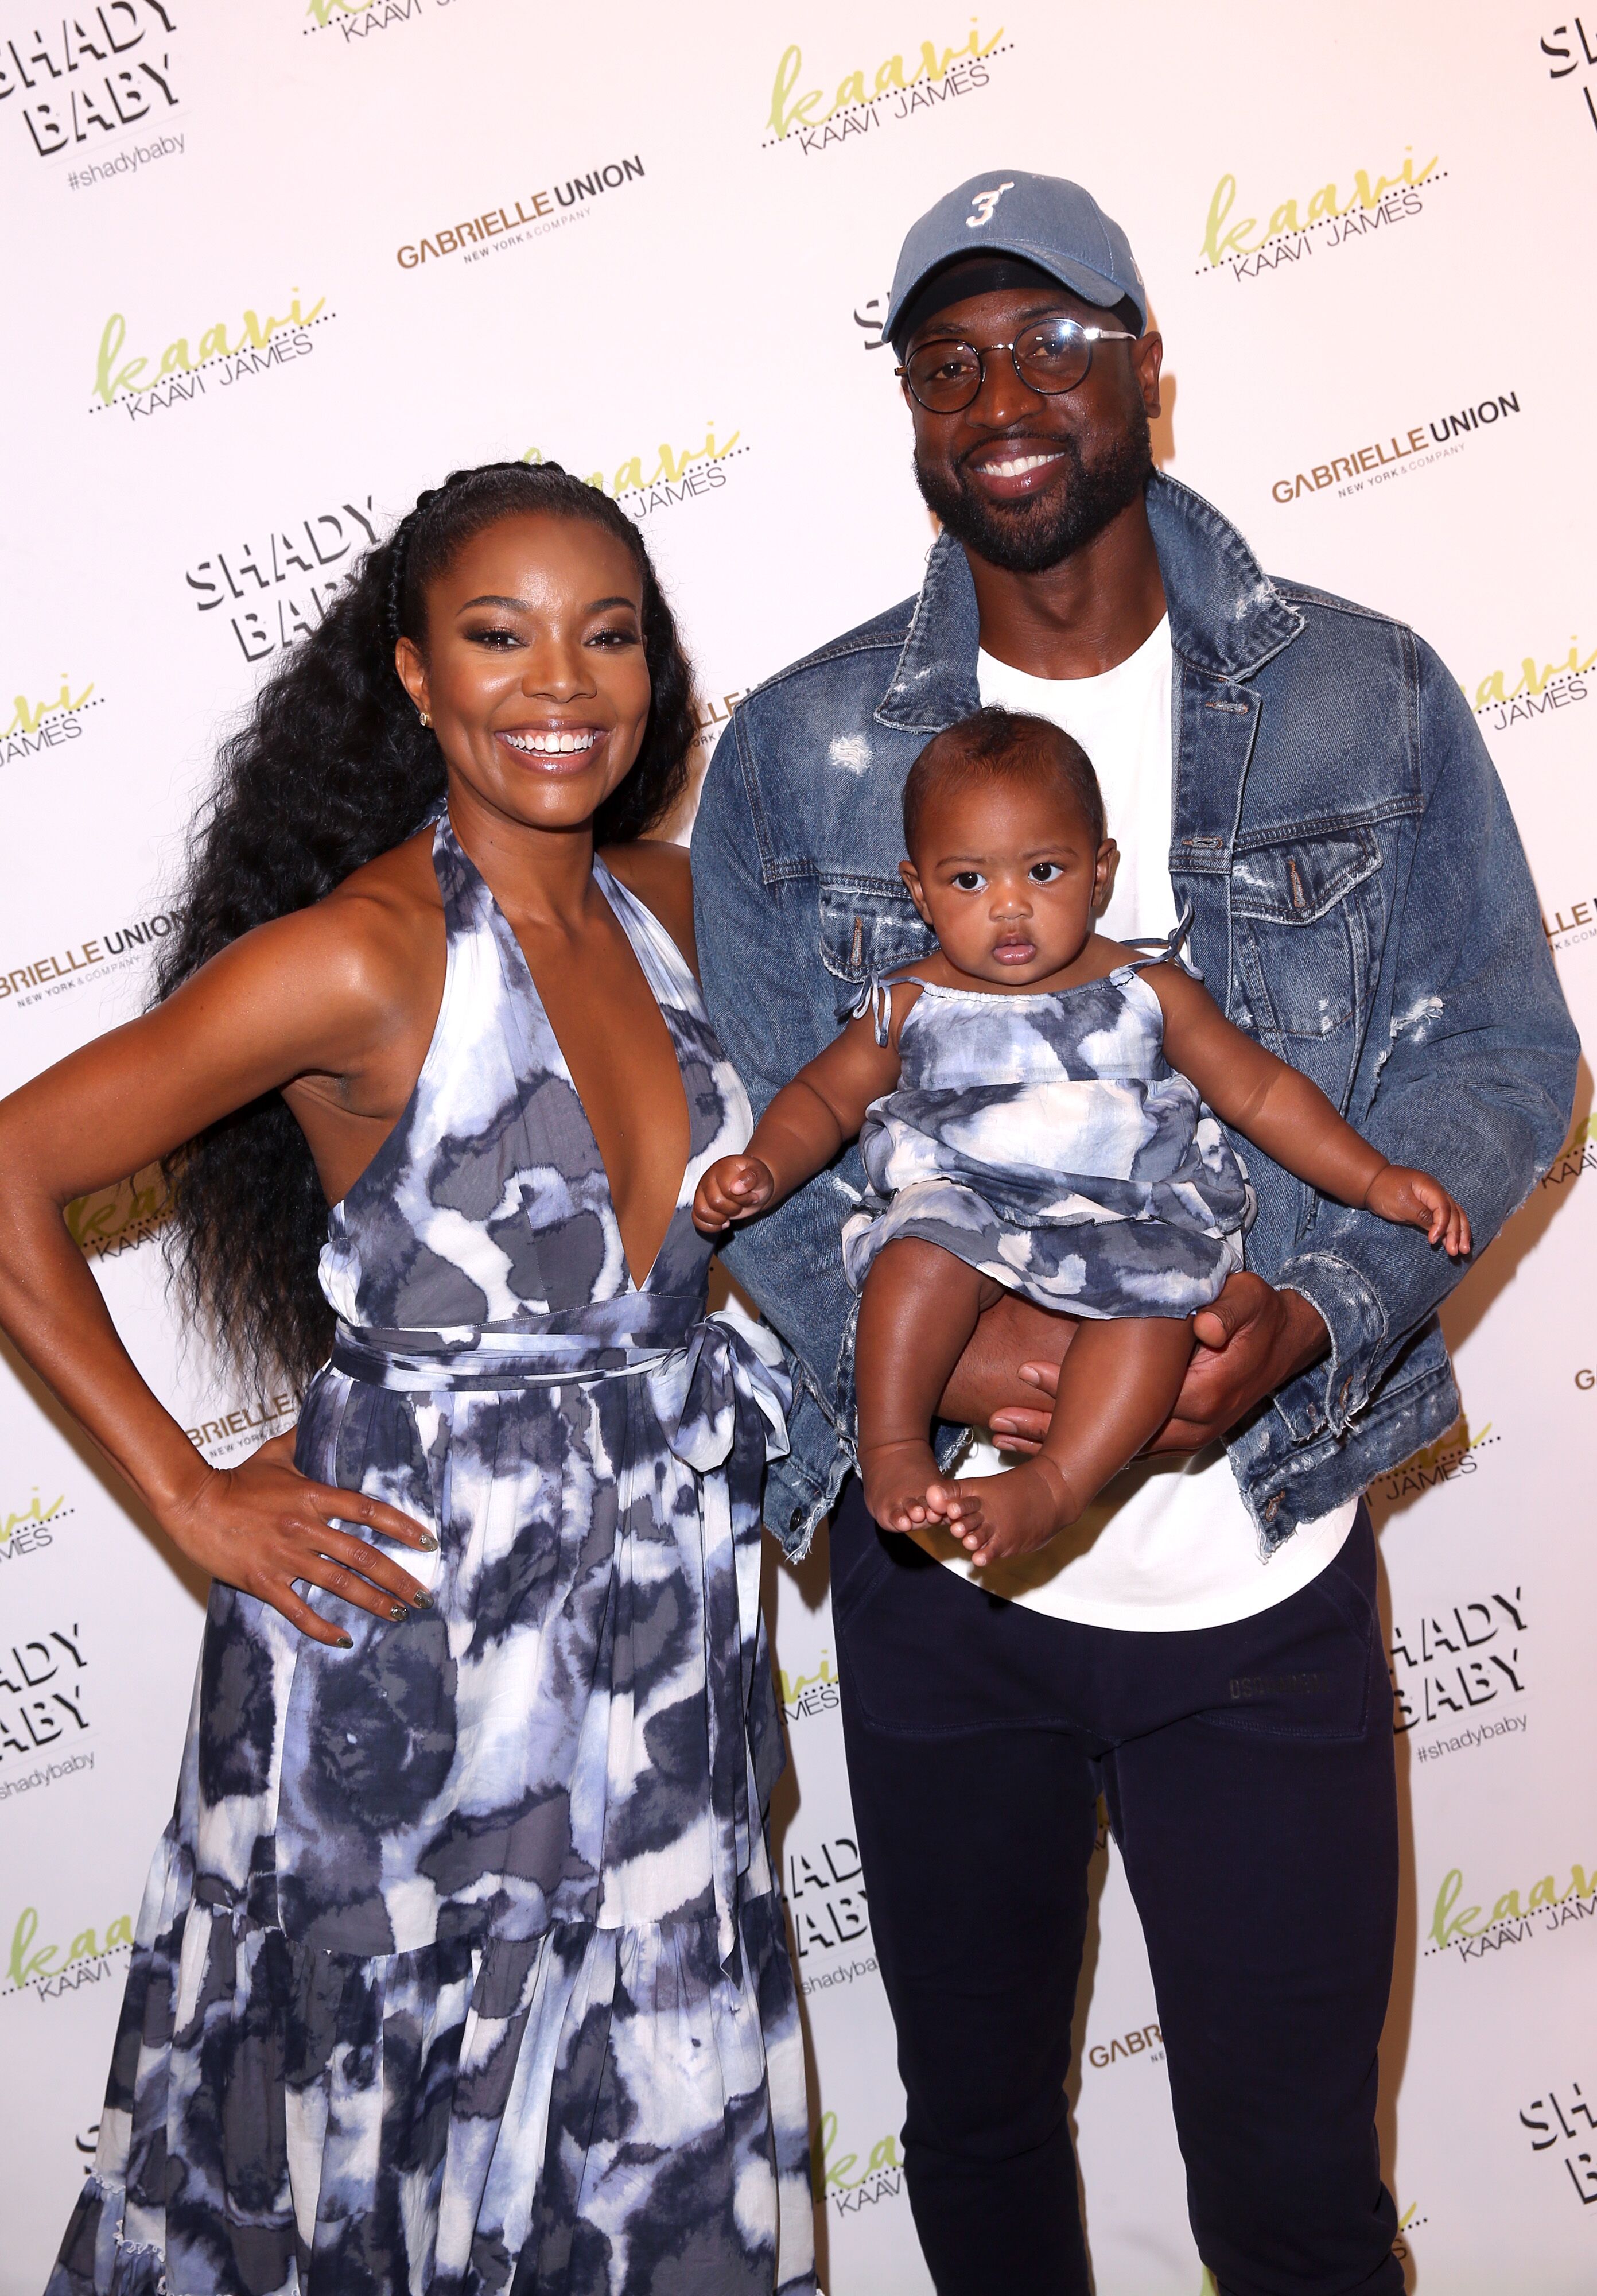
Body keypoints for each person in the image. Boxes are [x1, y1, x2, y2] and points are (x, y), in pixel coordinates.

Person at [692, 170, 1577, 2296]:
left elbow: (1503, 1059)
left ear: (1143, 366)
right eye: (950, 359)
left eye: (1054, 342)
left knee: (1292, 2190)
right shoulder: (806, 752)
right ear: (914, 404)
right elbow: (754, 1125)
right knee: (984, 2154)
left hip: (1261, 1567)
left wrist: (1324, 1308)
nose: (1002, 395)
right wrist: (972, 1366)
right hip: (942, 1584)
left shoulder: (1364, 694)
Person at [0, 461, 814, 2296]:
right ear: (418, 679)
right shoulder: (366, 959)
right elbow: (12, 1169)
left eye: (608, 635)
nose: (562, 684)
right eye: (498, 636)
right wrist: (190, 1495)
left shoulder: (681, 908)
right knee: (376, 2127)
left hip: (662, 1654)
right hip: (413, 1674)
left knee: (648, 2125)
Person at [694, 707, 1470, 1564]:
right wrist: (764, 1165)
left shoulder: (1150, 987)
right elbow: (823, 1100)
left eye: (1045, 869)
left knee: (1160, 1305)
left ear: (1100, 872)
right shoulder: (907, 1000)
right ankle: (891, 1448)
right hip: (967, 1201)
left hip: (1127, 1214)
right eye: (968, 882)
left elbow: (1263, 1090)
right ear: (917, 891)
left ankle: (1056, 1482)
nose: (1010, 908)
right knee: (915, 1254)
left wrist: (1372, 1179)